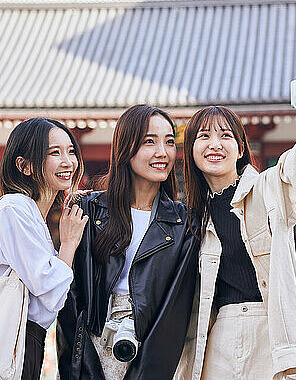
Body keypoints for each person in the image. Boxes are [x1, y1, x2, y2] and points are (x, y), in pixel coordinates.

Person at [177, 83, 296, 380]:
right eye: (204, 136)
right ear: (191, 150)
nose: (215, 144)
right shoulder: (189, 216)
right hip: (218, 335)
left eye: (225, 136)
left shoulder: (267, 189)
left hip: (270, 329)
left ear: (241, 149)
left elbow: (295, 170)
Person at [57, 105, 199, 380]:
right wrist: (82, 368)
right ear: (125, 148)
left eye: (169, 142)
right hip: (91, 345)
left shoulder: (184, 224)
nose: (163, 152)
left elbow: (173, 313)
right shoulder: (89, 209)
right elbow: (70, 300)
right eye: (150, 141)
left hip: (147, 346)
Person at [0, 117, 88, 380]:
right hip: (10, 340)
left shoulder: (29, 212)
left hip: (24, 341)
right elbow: (48, 288)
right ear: (24, 166)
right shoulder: (14, 208)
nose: (68, 162)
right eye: (55, 152)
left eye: (70, 151)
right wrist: (70, 244)